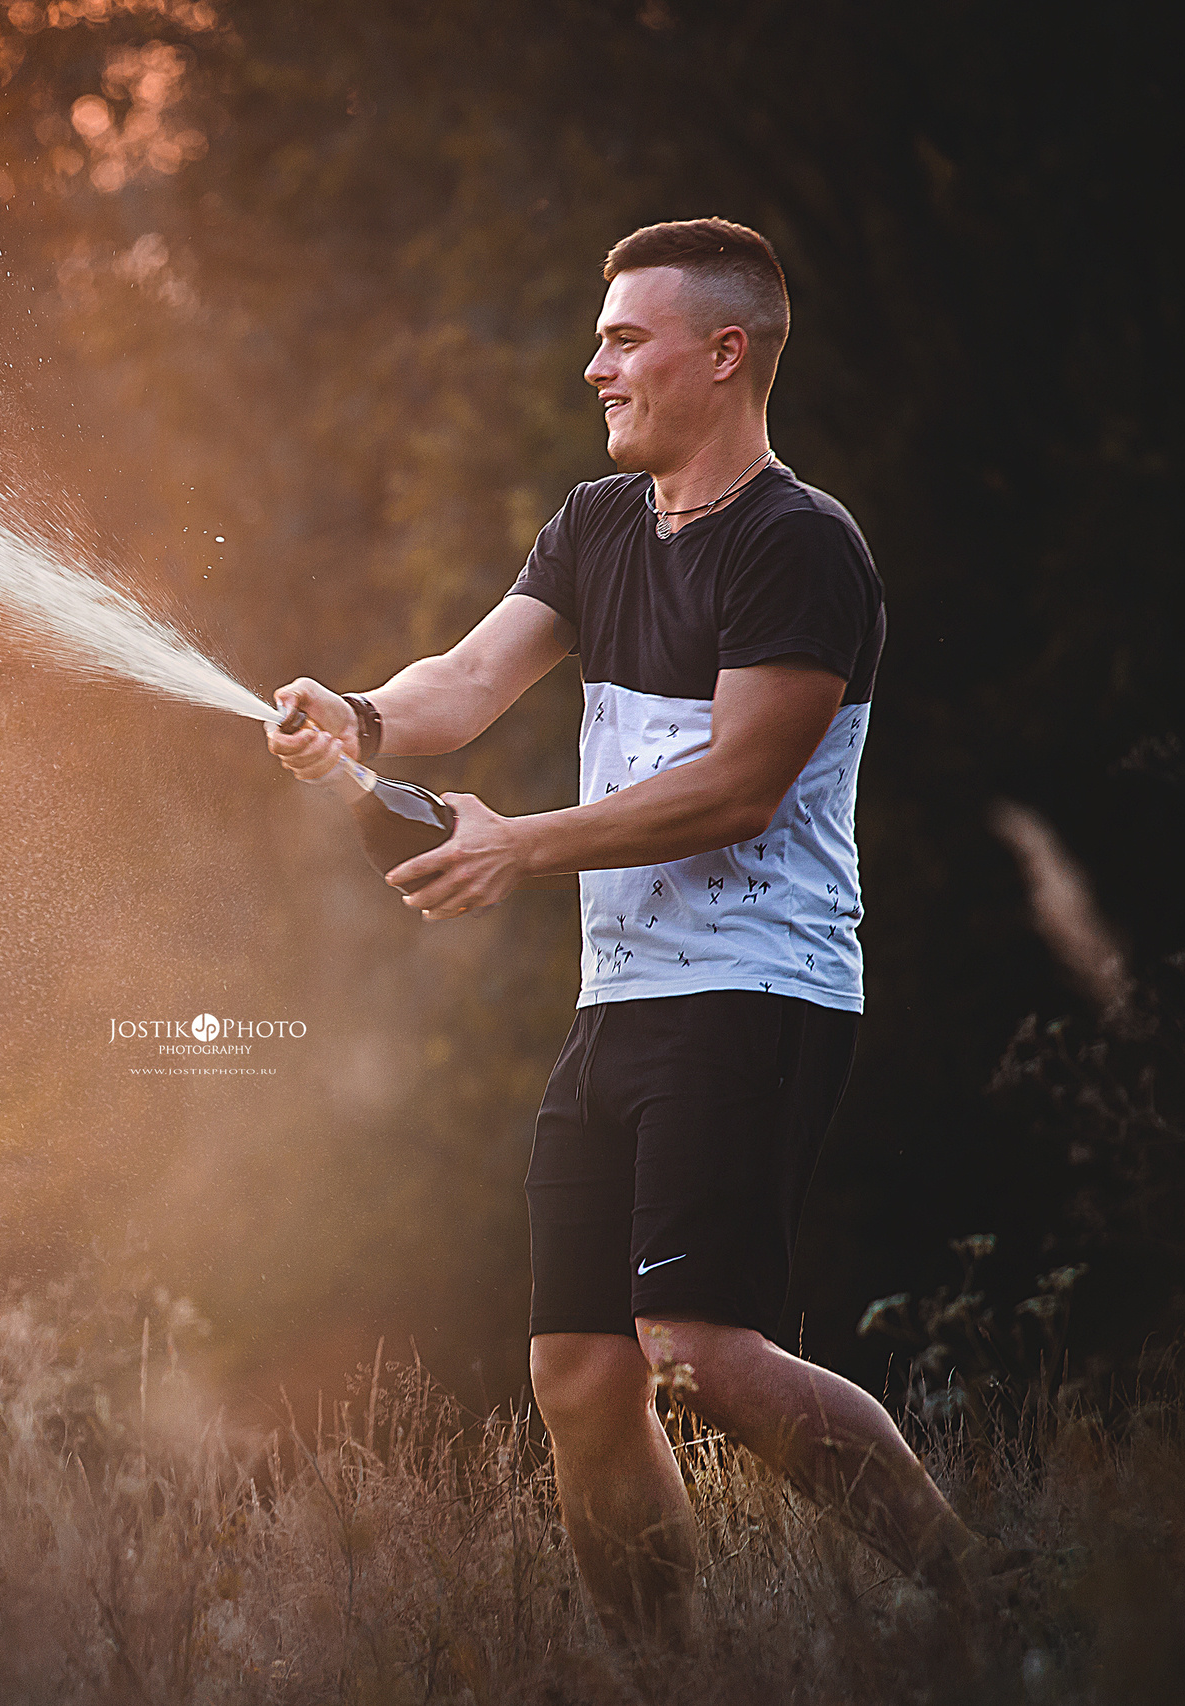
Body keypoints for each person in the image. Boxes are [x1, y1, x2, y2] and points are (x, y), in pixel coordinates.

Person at [268, 219, 989, 1637]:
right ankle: (672, 1676)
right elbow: (465, 683)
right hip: (622, 1004)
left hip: (755, 992)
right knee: (582, 1378)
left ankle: (1007, 1611)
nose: (592, 363)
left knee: (702, 1354)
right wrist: (354, 716)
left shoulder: (801, 545)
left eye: (624, 338)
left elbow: (736, 785)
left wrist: (513, 847)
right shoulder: (599, 524)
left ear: (726, 355)